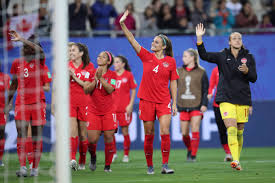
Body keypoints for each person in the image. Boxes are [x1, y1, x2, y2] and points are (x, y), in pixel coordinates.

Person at [120, 10, 179, 174]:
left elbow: (173, 82)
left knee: (165, 131)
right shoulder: (146, 56)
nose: (153, 43)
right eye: (153, 41)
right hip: (146, 100)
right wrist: (122, 24)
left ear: (164, 46)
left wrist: (174, 103)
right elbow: (132, 40)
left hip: (163, 101)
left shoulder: (171, 62)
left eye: (156, 42)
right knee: (149, 134)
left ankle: (165, 165)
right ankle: (150, 166)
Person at [196, 23, 257, 170]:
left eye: (239, 38)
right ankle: (236, 160)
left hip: (242, 98)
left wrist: (247, 71)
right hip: (225, 98)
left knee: (239, 131)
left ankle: (237, 157)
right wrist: (199, 38)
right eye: (234, 38)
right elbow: (204, 55)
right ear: (229, 42)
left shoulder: (249, 57)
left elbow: (254, 78)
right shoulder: (222, 55)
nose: (237, 40)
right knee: (231, 129)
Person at [7, 31, 49, 177]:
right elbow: (13, 83)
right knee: (21, 134)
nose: (24, 50)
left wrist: (22, 39)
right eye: (23, 47)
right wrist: (8, 102)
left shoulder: (40, 62)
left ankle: (35, 168)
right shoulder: (16, 63)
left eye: (27, 47)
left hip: (38, 104)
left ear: (32, 49)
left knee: (37, 136)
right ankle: (23, 166)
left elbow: (41, 51)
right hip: (21, 104)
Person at [83, 51, 117, 172]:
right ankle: (93, 157)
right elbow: (86, 90)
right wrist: (95, 80)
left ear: (108, 61)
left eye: (103, 57)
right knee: (92, 140)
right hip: (93, 111)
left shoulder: (113, 75)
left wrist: (101, 79)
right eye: (98, 56)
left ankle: (107, 166)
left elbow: (110, 89)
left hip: (108, 111)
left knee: (109, 137)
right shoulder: (90, 73)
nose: (99, 58)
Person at [177, 48, 208, 162]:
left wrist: (204, 104)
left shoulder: (201, 72)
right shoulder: (178, 71)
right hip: (182, 105)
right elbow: (173, 87)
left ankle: (193, 155)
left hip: (197, 105)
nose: (183, 58)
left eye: (185, 56)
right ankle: (190, 149)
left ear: (192, 58)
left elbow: (205, 90)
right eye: (183, 56)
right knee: (185, 133)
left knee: (195, 129)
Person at [68, 43, 94, 171]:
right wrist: (67, 75)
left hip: (85, 103)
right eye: (70, 50)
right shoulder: (67, 66)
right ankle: (72, 159)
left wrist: (74, 76)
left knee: (83, 135)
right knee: (72, 131)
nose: (71, 52)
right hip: (70, 103)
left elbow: (87, 86)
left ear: (81, 53)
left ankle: (82, 161)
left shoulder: (90, 67)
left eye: (73, 50)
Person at [25, 64, 52, 170]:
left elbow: (47, 88)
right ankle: (31, 163)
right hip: (25, 103)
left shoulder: (44, 67)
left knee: (37, 135)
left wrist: (34, 86)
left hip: (38, 103)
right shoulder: (22, 66)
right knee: (28, 134)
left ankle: (35, 165)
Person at [112, 56, 137, 163]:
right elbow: (110, 90)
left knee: (125, 130)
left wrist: (131, 104)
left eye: (117, 62)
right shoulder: (112, 76)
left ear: (123, 64)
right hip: (113, 108)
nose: (115, 64)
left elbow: (134, 89)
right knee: (111, 131)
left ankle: (126, 155)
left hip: (124, 108)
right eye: (114, 62)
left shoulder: (128, 75)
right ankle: (113, 153)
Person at [208, 66, 232, 162]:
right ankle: (228, 153)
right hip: (217, 104)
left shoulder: (233, 68)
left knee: (231, 129)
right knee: (222, 130)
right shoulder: (215, 70)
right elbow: (212, 84)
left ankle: (234, 150)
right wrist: (210, 93)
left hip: (231, 103)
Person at [0, 69, 10, 166]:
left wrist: (9, 106)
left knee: (1, 134)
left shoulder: (5, 77)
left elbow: (10, 92)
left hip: (2, 111)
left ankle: (0, 159)